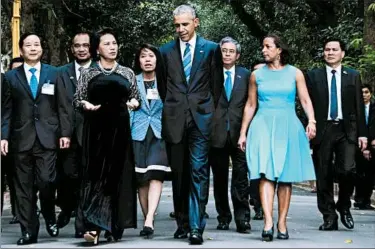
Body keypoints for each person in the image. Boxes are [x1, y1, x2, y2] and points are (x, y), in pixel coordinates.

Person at [238, 34, 316, 241]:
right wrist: (243, 132)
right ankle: (268, 222)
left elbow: (305, 100)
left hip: (288, 125)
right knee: (265, 174)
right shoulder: (257, 75)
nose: (264, 50)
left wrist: (312, 121)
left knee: (285, 176)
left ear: (279, 49)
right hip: (262, 125)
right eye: (263, 47)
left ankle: (282, 222)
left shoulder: (295, 73)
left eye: (268, 46)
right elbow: (251, 105)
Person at [159, 4, 222, 245]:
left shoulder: (212, 49)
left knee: (198, 172)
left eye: (185, 24)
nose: (181, 29)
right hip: (175, 119)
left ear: (196, 22)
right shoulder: (164, 52)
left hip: (201, 119)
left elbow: (215, 86)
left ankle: (196, 227)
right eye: (177, 25)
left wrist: (206, 111)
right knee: (179, 174)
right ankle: (183, 222)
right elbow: (164, 88)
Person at [1, 33, 71, 245]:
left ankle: (49, 213)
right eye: (28, 45)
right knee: (23, 188)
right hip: (19, 139)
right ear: (21, 50)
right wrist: (3, 136)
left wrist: (65, 133)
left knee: (47, 181)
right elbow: (6, 110)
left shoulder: (55, 73)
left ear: (42, 49)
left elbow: (63, 106)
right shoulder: (10, 77)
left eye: (36, 44)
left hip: (48, 138)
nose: (33, 48)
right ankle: (29, 231)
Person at [72, 28, 139, 245]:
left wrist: (134, 103)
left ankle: (114, 225)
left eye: (114, 43)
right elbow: (77, 99)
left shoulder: (127, 72)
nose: (112, 47)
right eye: (107, 43)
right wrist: (86, 105)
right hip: (96, 130)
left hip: (120, 130)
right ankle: (94, 226)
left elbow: (135, 97)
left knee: (117, 176)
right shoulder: (88, 73)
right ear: (97, 48)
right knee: (95, 176)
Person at [306, 38, 367, 231]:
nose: (330, 52)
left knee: (348, 170)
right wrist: (308, 125)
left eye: (334, 49)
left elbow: (359, 106)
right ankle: (329, 216)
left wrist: (363, 134)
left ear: (342, 53)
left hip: (346, 129)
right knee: (323, 174)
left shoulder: (353, 76)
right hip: (322, 130)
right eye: (327, 49)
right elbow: (306, 104)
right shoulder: (313, 76)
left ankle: (344, 205)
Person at [56, 31, 96, 237]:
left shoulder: (101, 71)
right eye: (77, 45)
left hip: (94, 135)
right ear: (71, 48)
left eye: (85, 45)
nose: (81, 49)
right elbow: (59, 106)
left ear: (92, 47)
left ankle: (84, 225)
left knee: (88, 180)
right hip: (68, 135)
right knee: (70, 177)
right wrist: (63, 132)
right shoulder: (60, 73)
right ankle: (67, 207)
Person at [209, 36, 251, 233]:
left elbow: (251, 104)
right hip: (216, 133)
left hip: (240, 133)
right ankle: (223, 216)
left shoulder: (246, 75)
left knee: (241, 177)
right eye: (223, 50)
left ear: (238, 55)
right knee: (219, 178)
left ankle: (242, 218)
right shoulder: (211, 74)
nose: (226, 54)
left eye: (231, 51)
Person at [130, 43, 171, 238]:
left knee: (156, 174)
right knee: (142, 179)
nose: (147, 60)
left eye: (151, 56)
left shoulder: (165, 81)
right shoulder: (132, 80)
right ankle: (149, 219)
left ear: (157, 59)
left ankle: (148, 219)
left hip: (159, 133)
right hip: (137, 132)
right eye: (143, 56)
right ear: (138, 60)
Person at [1, 56, 24, 225]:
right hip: (6, 137)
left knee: (16, 179)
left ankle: (20, 213)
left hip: (16, 140)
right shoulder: (6, 82)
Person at [248, 60, 265, 221]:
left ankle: (261, 205)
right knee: (254, 170)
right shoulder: (248, 91)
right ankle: (256, 202)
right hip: (250, 132)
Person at [354, 84, 374, 210]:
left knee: (371, 174)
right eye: (362, 92)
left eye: (366, 92)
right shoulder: (355, 108)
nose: (364, 95)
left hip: (373, 144)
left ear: (370, 94)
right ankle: (359, 199)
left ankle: (366, 200)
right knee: (359, 173)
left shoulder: (373, 107)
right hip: (358, 144)